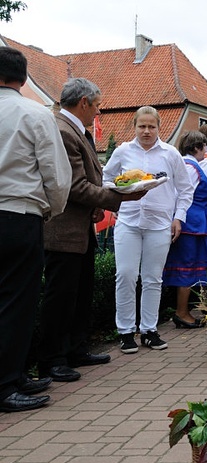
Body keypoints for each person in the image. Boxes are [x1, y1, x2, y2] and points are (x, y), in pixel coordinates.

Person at [34, 78, 144, 382]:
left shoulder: (73, 128)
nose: (98, 112)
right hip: (63, 230)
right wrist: (117, 198)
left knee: (79, 293)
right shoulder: (62, 129)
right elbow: (74, 186)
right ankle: (52, 360)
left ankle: (75, 348)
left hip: (79, 228)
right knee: (61, 297)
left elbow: (86, 182)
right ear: (83, 101)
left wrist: (98, 203)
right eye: (96, 106)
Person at [0, 47, 71, 412]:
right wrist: (51, 210)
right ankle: (6, 382)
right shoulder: (33, 113)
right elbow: (57, 175)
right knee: (17, 301)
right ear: (24, 79)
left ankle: (15, 373)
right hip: (17, 214)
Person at [103, 106, 194, 354]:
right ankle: (125, 331)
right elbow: (106, 179)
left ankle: (149, 330)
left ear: (158, 127)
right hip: (129, 221)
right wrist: (116, 195)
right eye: (141, 126)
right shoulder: (123, 151)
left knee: (153, 278)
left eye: (151, 126)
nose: (146, 131)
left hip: (159, 223)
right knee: (125, 274)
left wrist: (179, 218)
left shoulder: (170, 154)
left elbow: (185, 189)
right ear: (134, 127)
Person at [163, 131, 207, 329]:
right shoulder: (190, 167)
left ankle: (184, 311)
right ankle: (181, 311)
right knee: (187, 266)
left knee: (191, 266)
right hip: (193, 224)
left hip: (195, 222)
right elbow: (182, 195)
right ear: (196, 147)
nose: (205, 151)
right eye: (203, 146)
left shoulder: (188, 165)